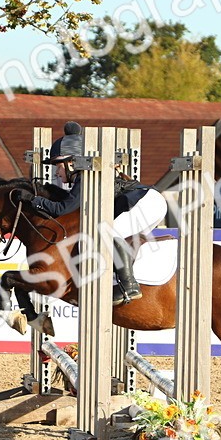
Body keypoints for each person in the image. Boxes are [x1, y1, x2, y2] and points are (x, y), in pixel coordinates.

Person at [31, 122, 169, 306]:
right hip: (150, 202)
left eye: (59, 166)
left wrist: (33, 200)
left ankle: (129, 286)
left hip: (147, 202)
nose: (57, 171)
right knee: (114, 241)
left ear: (71, 163)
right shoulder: (85, 177)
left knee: (107, 233)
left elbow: (62, 209)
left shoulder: (84, 178)